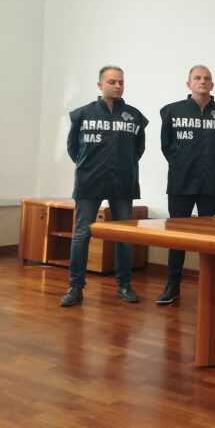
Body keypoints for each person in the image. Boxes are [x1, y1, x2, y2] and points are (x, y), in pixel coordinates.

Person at [60, 65, 148, 307]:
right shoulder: (82, 114)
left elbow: (138, 148)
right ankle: (75, 288)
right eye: (112, 82)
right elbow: (73, 148)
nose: (118, 86)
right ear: (100, 85)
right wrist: (89, 166)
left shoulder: (134, 116)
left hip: (123, 181)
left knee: (124, 235)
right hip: (89, 182)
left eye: (121, 82)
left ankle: (124, 285)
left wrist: (123, 165)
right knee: (82, 234)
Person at [155, 65, 215, 305]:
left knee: (210, 238)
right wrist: (182, 164)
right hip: (181, 183)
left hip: (212, 184)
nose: (202, 81)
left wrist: (210, 166)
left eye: (207, 78)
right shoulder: (171, 111)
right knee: (177, 237)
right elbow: (166, 146)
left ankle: (211, 287)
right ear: (189, 83)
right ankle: (172, 286)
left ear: (212, 84)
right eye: (198, 78)